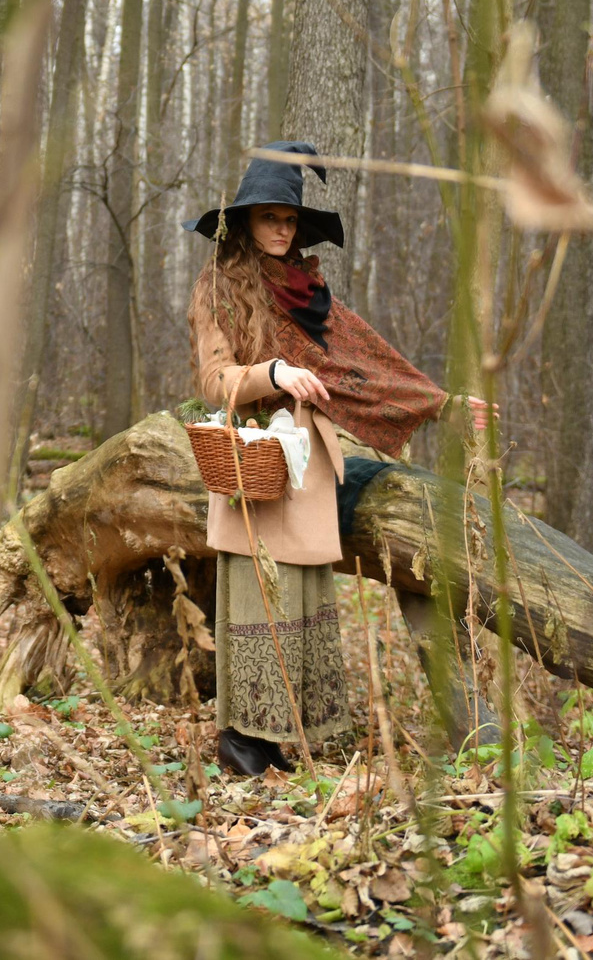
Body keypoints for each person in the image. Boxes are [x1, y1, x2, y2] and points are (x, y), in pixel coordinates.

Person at [186, 140, 482, 776]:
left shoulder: (308, 289)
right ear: (243, 223)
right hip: (256, 460)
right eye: (270, 217)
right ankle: (243, 743)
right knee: (258, 596)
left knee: (297, 597)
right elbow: (214, 380)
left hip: (310, 468)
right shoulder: (217, 286)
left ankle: (273, 738)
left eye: (290, 219)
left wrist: (441, 402)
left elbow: (364, 365)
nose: (282, 229)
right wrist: (275, 372)